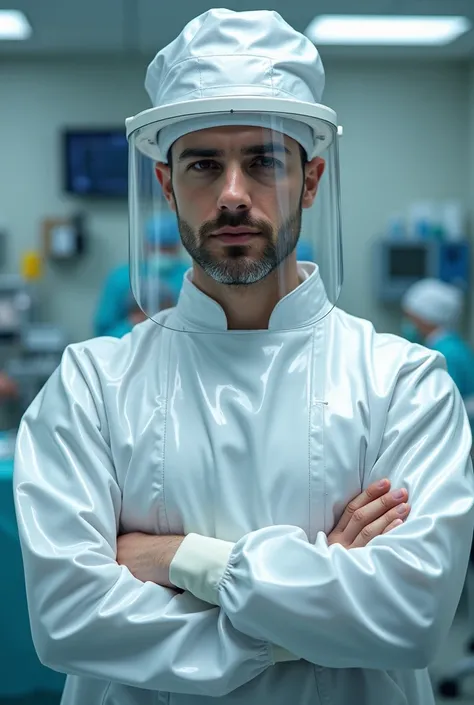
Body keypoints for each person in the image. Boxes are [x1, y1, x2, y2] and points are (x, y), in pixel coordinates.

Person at [13, 9, 474, 705]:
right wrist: (314, 614)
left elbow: (409, 619)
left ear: (310, 180)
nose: (233, 194)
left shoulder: (404, 384)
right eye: (203, 163)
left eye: (262, 160)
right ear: (167, 186)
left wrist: (180, 559)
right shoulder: (90, 387)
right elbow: (69, 619)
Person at [93, 213, 187, 338]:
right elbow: (104, 330)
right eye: (157, 247)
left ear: (177, 246)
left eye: (167, 248)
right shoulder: (122, 277)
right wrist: (134, 324)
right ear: (146, 245)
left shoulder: (190, 275)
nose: (162, 252)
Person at [402, 278, 474, 422]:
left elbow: (442, 406)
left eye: (411, 317)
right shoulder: (450, 347)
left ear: (426, 318)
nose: (408, 323)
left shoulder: (446, 353)